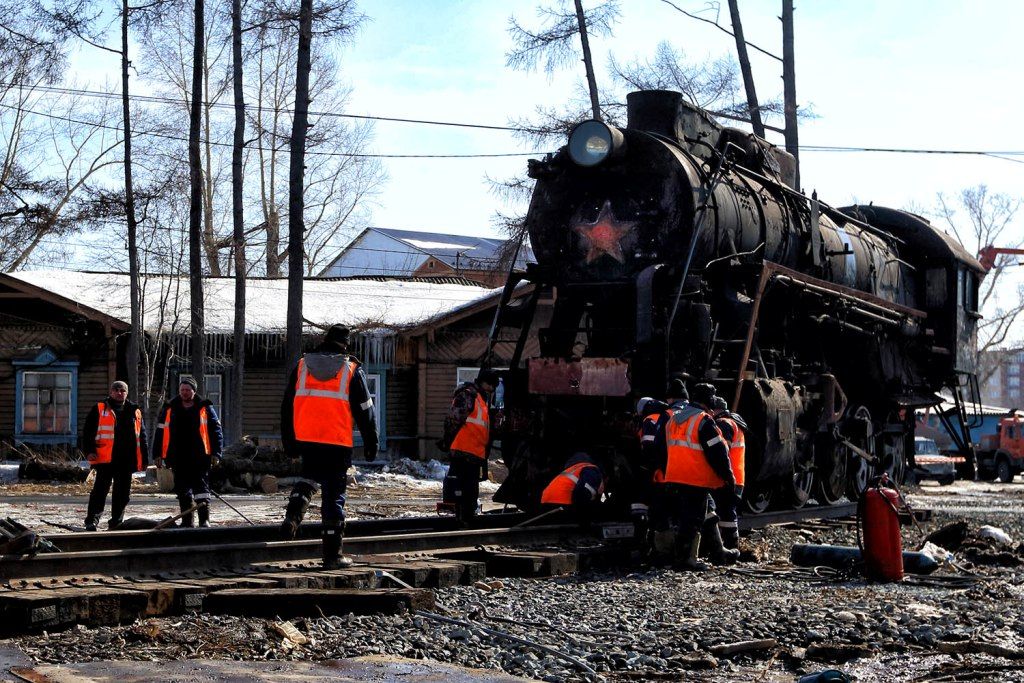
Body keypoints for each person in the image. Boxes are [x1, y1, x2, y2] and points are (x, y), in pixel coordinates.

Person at [279, 324, 378, 569]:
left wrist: (289, 441)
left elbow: (286, 407)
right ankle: (332, 554)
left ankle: (293, 515)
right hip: (336, 441)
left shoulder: (302, 367)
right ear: (345, 345)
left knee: (308, 478)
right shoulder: (351, 369)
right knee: (334, 494)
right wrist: (371, 441)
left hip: (307, 439)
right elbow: (365, 410)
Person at [642, 378, 736, 570]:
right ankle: (686, 559)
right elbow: (717, 452)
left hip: (674, 476)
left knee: (678, 516)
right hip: (696, 477)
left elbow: (660, 447)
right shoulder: (703, 420)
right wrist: (728, 476)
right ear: (707, 400)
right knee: (693, 520)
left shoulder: (672, 417)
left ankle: (669, 555)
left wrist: (666, 470)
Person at [153, 376, 224, 528]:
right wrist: (157, 454)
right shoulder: (169, 408)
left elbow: (216, 431)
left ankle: (204, 520)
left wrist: (216, 453)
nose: (184, 393)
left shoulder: (205, 407)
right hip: (177, 456)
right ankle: (187, 521)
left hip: (200, 456)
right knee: (183, 490)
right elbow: (160, 433)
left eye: (187, 390)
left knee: (201, 490)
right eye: (182, 390)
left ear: (194, 391)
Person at [82, 381, 147, 531]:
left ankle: (116, 522)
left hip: (127, 460)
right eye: (116, 390)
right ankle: (92, 521)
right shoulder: (99, 408)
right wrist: (89, 451)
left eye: (122, 390)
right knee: (100, 491)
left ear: (127, 393)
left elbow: (142, 436)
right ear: (111, 392)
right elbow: (88, 432)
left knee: (122, 494)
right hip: (106, 459)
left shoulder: (134, 410)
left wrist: (144, 458)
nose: (119, 393)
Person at [436, 369, 498, 521]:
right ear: (483, 382)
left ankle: (466, 517)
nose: (492, 389)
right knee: (463, 488)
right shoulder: (469, 395)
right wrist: (447, 441)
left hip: (474, 453)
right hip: (463, 451)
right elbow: (453, 419)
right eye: (490, 385)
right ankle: (462, 518)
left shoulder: (480, 400)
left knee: (469, 489)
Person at [711, 395, 748, 553]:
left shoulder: (724, 424)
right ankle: (732, 545)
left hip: (727, 478)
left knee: (725, 512)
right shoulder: (735, 424)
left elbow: (721, 451)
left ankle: (730, 547)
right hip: (737, 477)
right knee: (728, 512)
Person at [539, 452, 605, 521]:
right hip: (562, 504)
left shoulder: (573, 469)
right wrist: (585, 521)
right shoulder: (592, 470)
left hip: (546, 501)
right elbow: (582, 493)